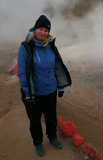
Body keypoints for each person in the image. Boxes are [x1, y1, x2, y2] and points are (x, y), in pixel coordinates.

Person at [18, 15, 72, 156]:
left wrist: (61, 86)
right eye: (40, 29)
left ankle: (52, 138)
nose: (43, 32)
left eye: (46, 30)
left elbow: (57, 67)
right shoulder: (26, 47)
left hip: (50, 90)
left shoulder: (51, 45)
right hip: (34, 93)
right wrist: (28, 94)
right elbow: (23, 72)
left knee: (51, 117)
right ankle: (38, 143)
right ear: (35, 30)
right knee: (35, 122)